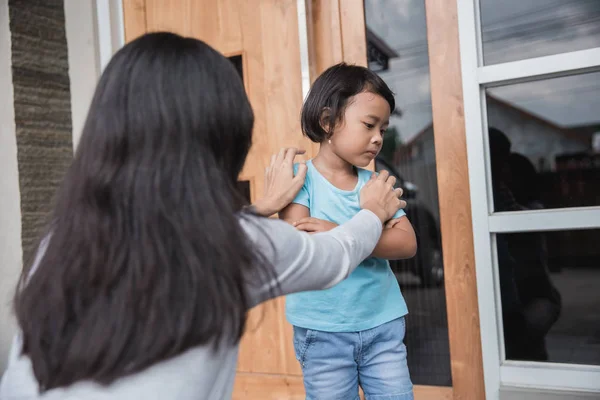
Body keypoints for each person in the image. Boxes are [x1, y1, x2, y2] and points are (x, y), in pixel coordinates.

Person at [0, 33, 406, 400]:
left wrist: (259, 209)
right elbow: (333, 256)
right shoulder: (229, 244)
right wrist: (372, 212)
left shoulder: (61, 241)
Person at [279, 63, 417, 400]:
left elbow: (407, 242)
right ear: (327, 122)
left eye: (383, 129)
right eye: (369, 125)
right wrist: (370, 227)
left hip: (382, 324)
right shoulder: (300, 180)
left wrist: (338, 230)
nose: (378, 139)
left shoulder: (376, 185)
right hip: (323, 331)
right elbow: (303, 246)